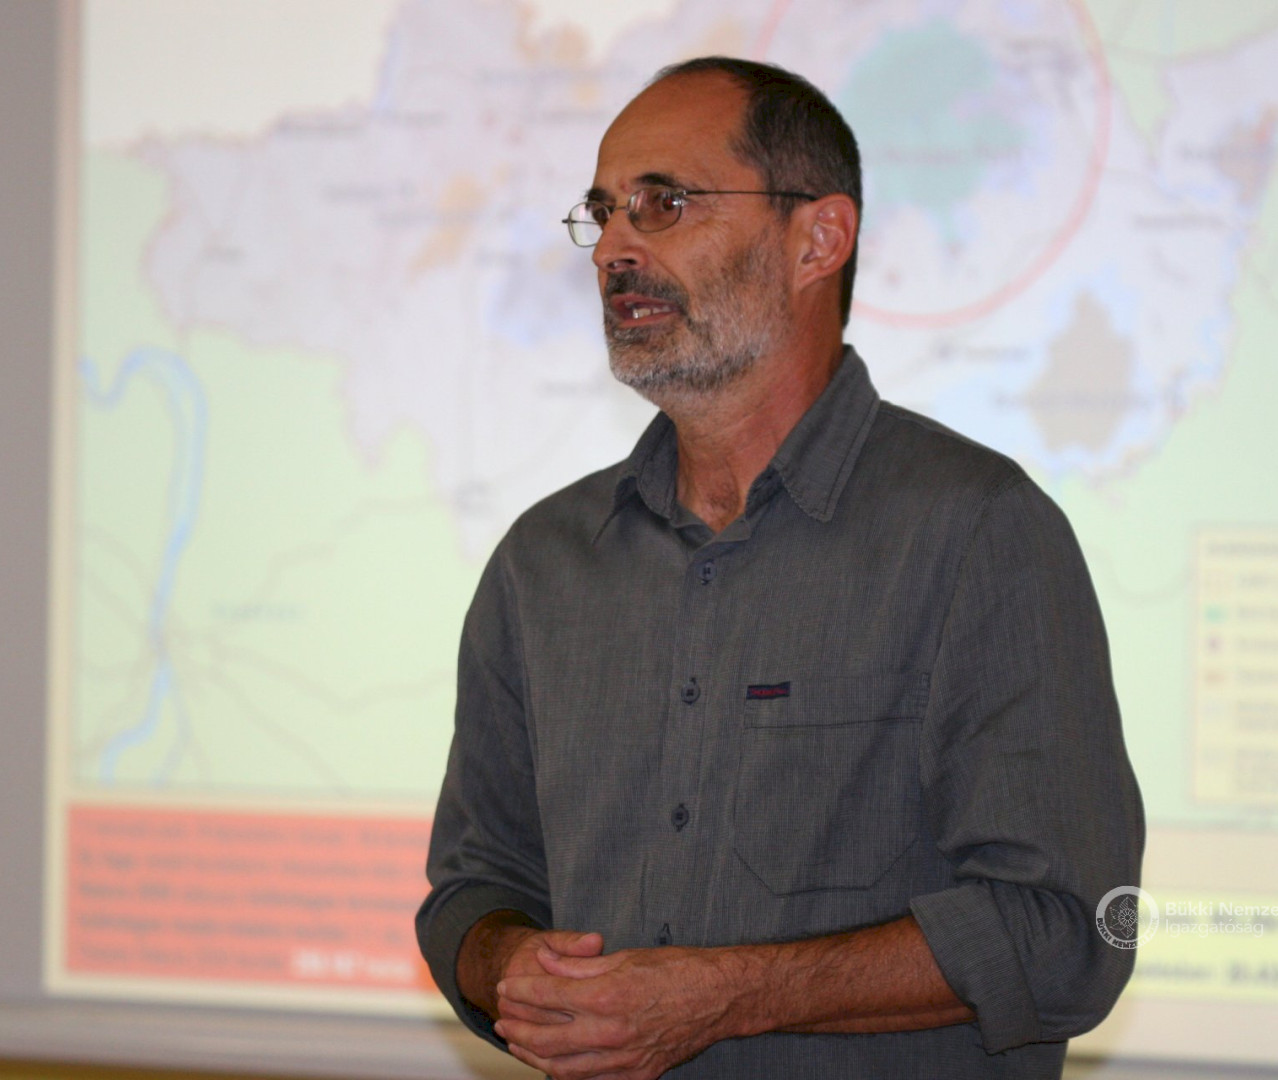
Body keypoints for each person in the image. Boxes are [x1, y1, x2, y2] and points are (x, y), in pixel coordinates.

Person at [416, 56, 1144, 1080]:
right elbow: (471, 890)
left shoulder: (977, 533)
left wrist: (729, 996)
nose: (614, 246)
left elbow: (1069, 931)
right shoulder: (544, 564)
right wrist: (508, 964)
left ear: (818, 239)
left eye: (663, 204)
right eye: (603, 212)